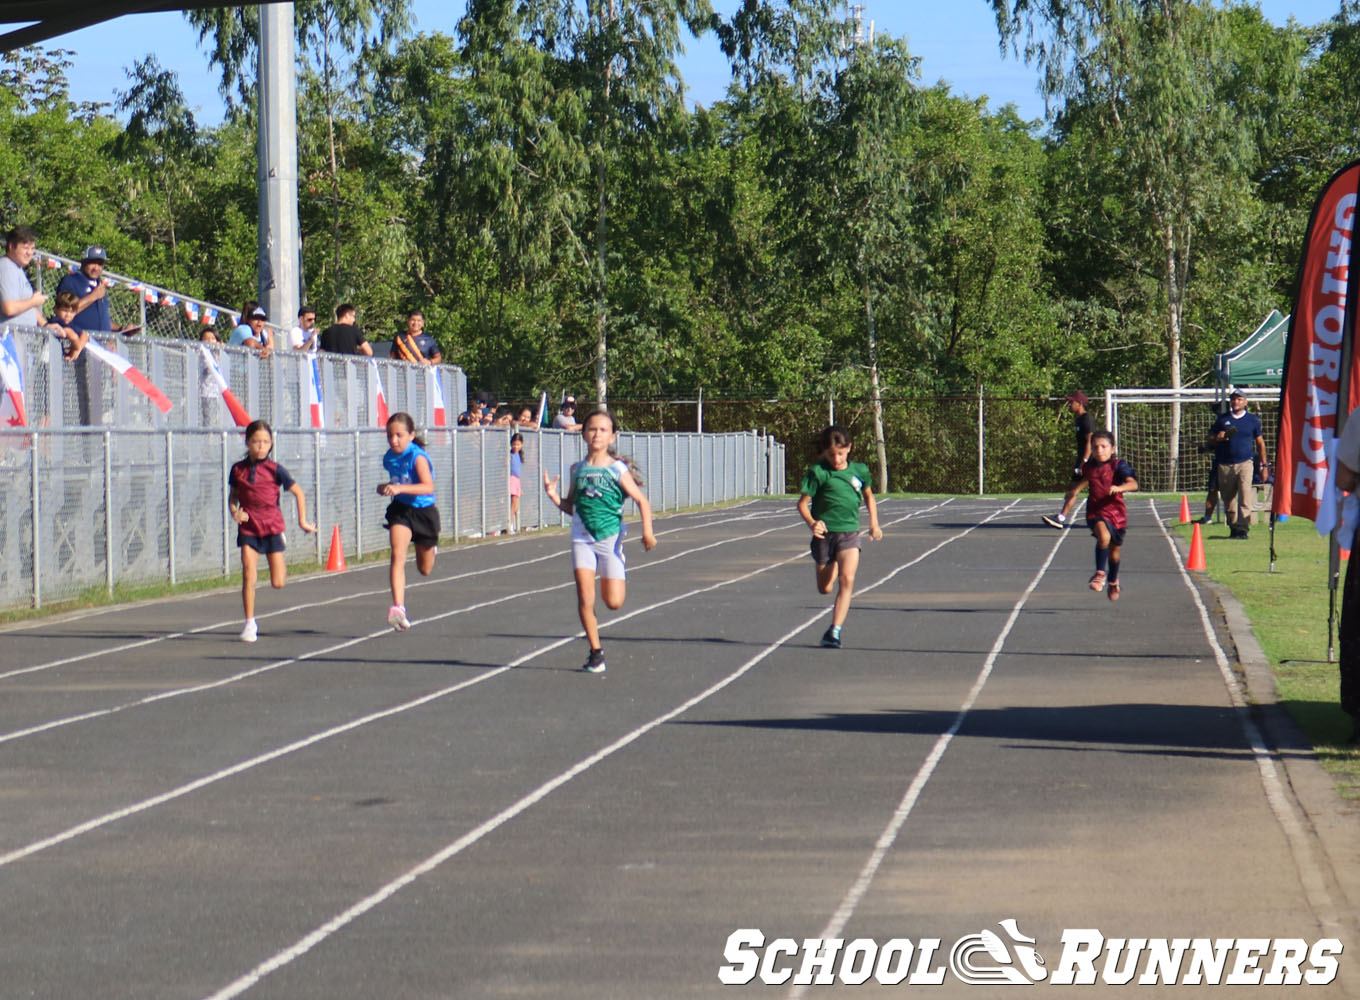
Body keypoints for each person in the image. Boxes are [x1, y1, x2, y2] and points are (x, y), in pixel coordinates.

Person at [543, 409, 657, 673]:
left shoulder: (617, 469)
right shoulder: (577, 469)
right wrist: (553, 496)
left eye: (603, 430)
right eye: (592, 429)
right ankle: (596, 652)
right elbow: (573, 507)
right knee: (585, 597)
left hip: (610, 539)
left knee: (614, 602)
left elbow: (641, 500)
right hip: (582, 538)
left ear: (612, 437)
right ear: (583, 434)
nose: (597, 434)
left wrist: (647, 532)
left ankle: (617, 571)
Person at [228, 419, 316, 642]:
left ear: (271, 445)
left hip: (272, 527)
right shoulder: (238, 469)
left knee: (278, 582)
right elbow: (233, 497)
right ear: (247, 442)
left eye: (265, 442)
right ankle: (249, 623)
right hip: (249, 528)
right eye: (256, 441)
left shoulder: (276, 470)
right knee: (249, 573)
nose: (260, 446)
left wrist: (303, 521)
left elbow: (299, 493)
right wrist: (234, 512)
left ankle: (279, 554)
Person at [796, 425, 883, 649]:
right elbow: (802, 503)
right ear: (824, 452)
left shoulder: (859, 471)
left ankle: (834, 631)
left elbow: (869, 496)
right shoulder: (818, 472)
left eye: (841, 453)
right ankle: (830, 562)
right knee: (824, 588)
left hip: (849, 532)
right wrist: (813, 523)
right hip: (825, 535)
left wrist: (874, 524)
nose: (837, 459)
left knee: (847, 580)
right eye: (832, 454)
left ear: (849, 449)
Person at [378, 411, 440, 631]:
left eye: (399, 435)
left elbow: (428, 487)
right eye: (390, 435)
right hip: (402, 510)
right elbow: (396, 481)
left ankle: (430, 548)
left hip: (423, 512)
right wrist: (384, 487)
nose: (394, 440)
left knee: (425, 570)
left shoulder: (418, 457)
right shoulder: (389, 458)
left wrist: (399, 488)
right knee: (398, 554)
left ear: (411, 435)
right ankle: (398, 607)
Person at [1070, 430, 1138, 601]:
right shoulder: (1089, 467)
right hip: (1095, 511)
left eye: (1103, 446)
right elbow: (1090, 477)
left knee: (1114, 552)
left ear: (1112, 449)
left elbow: (1133, 483)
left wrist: (1120, 488)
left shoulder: (1119, 466)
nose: (1099, 450)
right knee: (1103, 537)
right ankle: (1100, 573)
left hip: (1116, 513)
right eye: (1095, 447)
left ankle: (1113, 580)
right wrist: (1077, 489)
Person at [1207, 389, 1267, 539]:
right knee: (1229, 499)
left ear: (1245, 402)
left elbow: (1260, 443)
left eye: (1240, 399)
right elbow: (1210, 439)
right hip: (1225, 464)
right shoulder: (1223, 419)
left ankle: (1242, 528)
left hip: (1245, 462)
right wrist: (1218, 437)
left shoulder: (1252, 420)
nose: (1236, 402)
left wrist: (1264, 465)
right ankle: (1234, 526)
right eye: (1234, 399)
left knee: (1245, 496)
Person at [1043, 390, 1095, 529]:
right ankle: (1062, 516)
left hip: (1090, 462)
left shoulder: (1087, 419)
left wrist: (1084, 462)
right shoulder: (1078, 419)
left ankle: (1061, 518)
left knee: (1075, 491)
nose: (1069, 404)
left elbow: (1090, 442)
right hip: (1081, 460)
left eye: (1071, 402)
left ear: (1079, 403)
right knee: (1071, 490)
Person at [0, 225, 45, 328]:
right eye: (25, 248)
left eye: (32, 248)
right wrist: (33, 301)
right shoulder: (7, 268)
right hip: (9, 339)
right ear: (11, 246)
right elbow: (9, 308)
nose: (30, 253)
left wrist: (45, 324)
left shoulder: (17, 268)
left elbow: (28, 307)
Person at [45, 290, 87, 363]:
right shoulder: (55, 321)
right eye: (64, 311)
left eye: (72, 312)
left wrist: (77, 350)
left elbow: (84, 334)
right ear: (55, 309)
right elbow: (71, 334)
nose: (68, 315)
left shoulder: (71, 325)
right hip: (48, 359)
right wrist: (76, 347)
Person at [508, 432, 525, 533]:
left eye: (518, 444)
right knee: (513, 504)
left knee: (516, 505)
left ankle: (512, 523)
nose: (516, 446)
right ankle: (509, 525)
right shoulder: (510, 455)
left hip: (517, 481)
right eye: (514, 444)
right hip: (511, 479)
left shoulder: (519, 455)